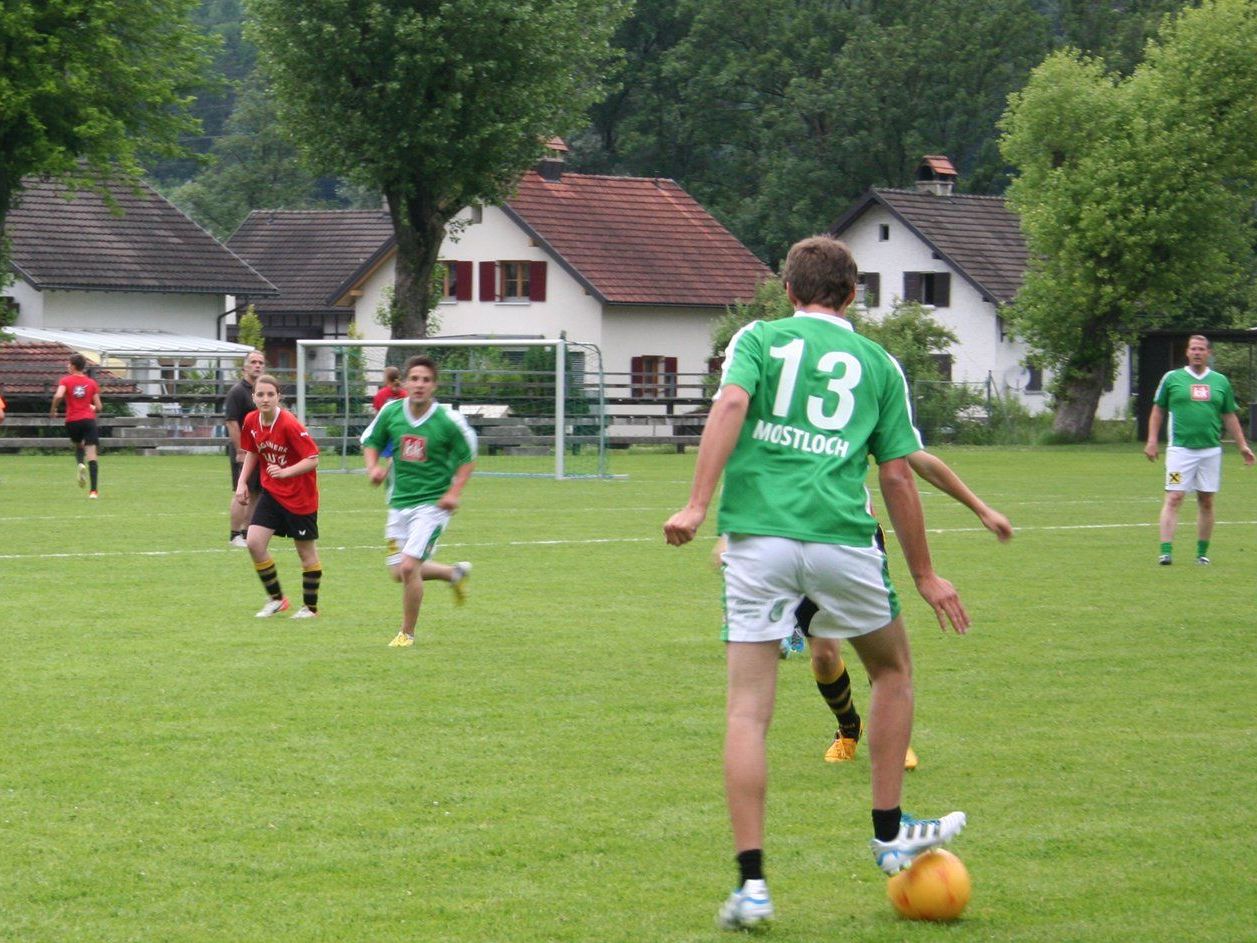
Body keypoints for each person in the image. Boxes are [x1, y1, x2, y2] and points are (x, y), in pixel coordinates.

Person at [664, 236, 968, 931]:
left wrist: (695, 503)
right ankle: (889, 834)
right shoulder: (878, 361)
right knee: (892, 671)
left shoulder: (759, 337)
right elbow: (895, 473)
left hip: (757, 539)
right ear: (852, 295)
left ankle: (752, 886)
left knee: (747, 710)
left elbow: (731, 405)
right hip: (841, 538)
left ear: (786, 290)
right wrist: (923, 573)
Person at [799, 449, 1012, 769]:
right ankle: (848, 728)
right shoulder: (776, 409)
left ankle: (895, 739)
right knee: (824, 656)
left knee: (880, 652)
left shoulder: (859, 403)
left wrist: (979, 508)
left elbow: (917, 459)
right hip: (795, 546)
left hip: (858, 543)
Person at [360, 355, 476, 648]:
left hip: (432, 505)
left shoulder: (448, 421)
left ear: (434, 386)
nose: (419, 385)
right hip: (399, 502)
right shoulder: (391, 412)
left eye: (426, 380)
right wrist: (372, 467)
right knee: (397, 572)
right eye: (414, 378)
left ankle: (406, 634)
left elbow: (467, 457)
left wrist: (454, 492)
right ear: (406, 383)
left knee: (409, 567)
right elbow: (371, 441)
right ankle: (453, 573)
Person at [1144, 334, 1254, 565]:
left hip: (1210, 452)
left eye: (1201, 349)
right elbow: (1158, 410)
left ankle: (1201, 554)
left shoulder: (1220, 381)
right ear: (1187, 352)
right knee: (1174, 496)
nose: (1197, 352)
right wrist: (1152, 440)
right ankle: (1165, 551)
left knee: (1206, 500)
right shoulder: (1172, 378)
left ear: (1209, 353)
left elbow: (1229, 415)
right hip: (1180, 451)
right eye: (1193, 348)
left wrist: (1242, 445)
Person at [234, 374, 322, 619]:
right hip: (272, 493)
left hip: (300, 497)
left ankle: (310, 608)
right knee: (254, 543)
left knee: (305, 554)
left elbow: (313, 459)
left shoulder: (289, 424)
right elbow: (252, 451)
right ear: (253, 397)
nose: (265, 399)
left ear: (278, 397)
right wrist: (242, 482)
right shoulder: (251, 421)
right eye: (260, 394)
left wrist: (285, 472)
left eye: (270, 394)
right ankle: (276, 600)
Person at [226, 350, 267, 547]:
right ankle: (234, 535)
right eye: (253, 362)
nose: (257, 365)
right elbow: (232, 423)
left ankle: (247, 532)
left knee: (257, 492)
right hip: (245, 451)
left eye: (260, 362)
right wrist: (241, 450)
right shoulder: (237, 392)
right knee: (242, 492)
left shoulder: (262, 393)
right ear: (245, 367)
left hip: (261, 452)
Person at [50, 354, 103, 498]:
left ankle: (80, 463)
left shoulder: (65, 380)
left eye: (68, 364)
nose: (67, 366)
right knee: (92, 455)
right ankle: (93, 491)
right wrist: (90, 407)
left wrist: (54, 409)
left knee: (79, 445)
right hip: (88, 421)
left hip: (73, 421)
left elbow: (58, 396)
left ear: (73, 366)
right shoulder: (91, 383)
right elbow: (99, 407)